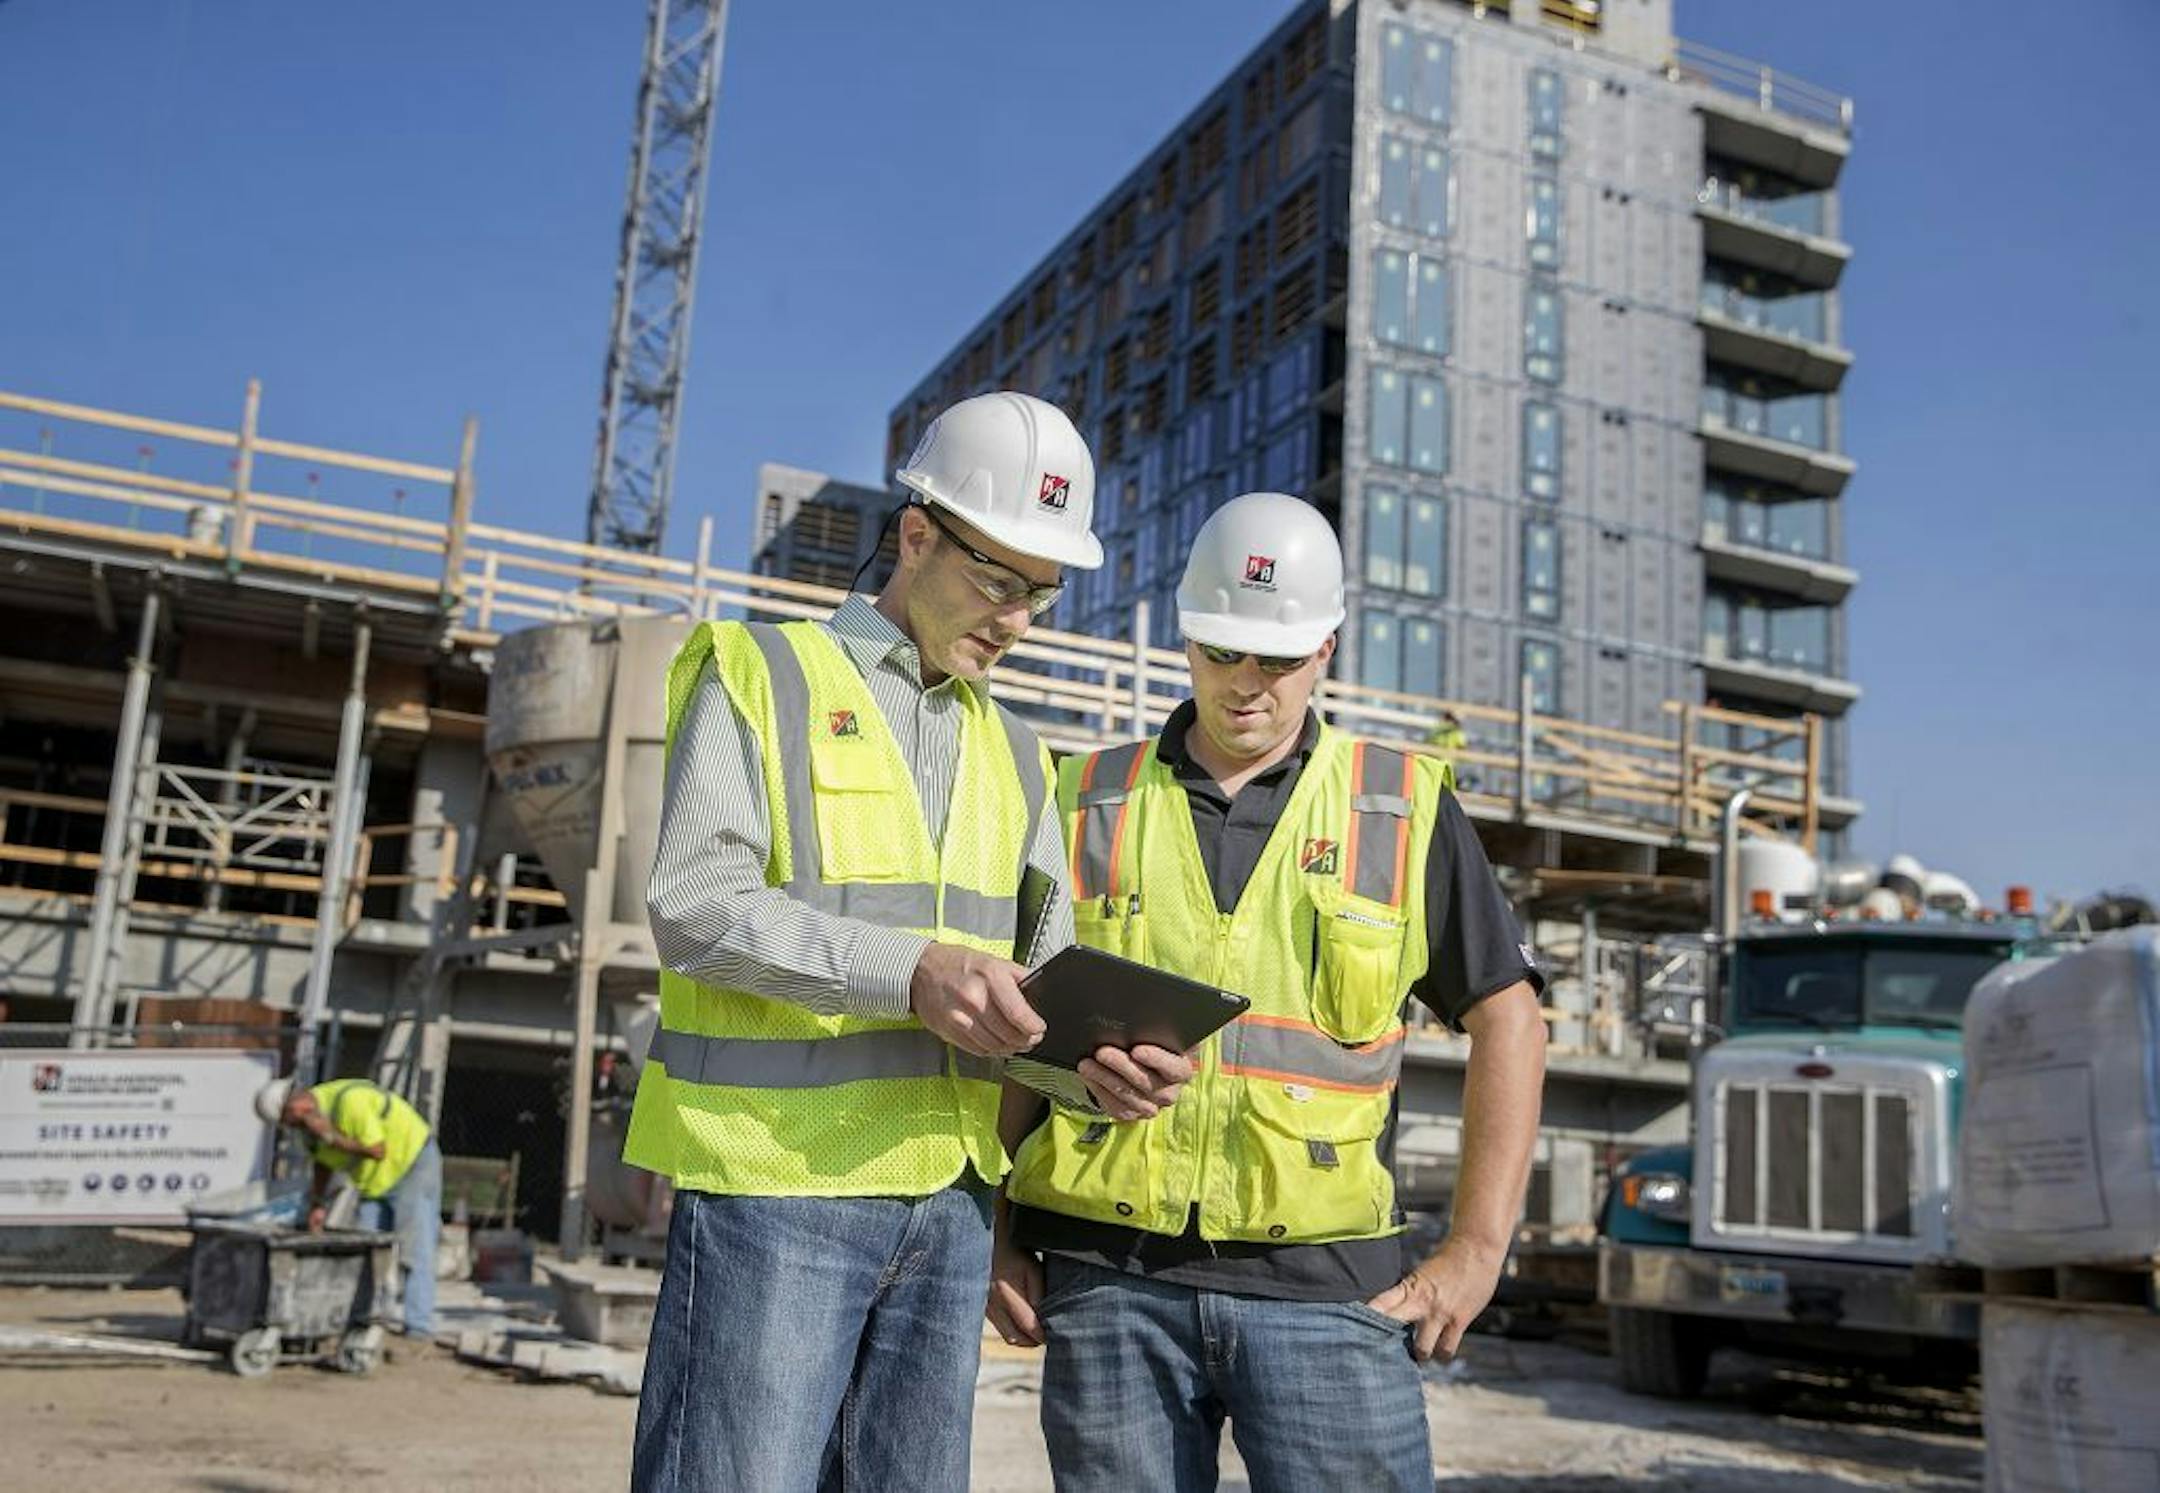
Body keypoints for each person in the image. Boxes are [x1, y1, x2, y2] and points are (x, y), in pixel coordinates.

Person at [623, 391, 1193, 1493]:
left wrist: (1093, 1069)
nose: (1019, 617)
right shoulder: (761, 671)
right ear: (916, 534)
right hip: (776, 1188)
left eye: (1042, 591)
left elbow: (1034, 988)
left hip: (949, 1207)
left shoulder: (1023, 755)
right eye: (997, 580)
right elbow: (695, 901)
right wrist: (912, 971)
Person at [988, 491, 1549, 1493]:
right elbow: (1014, 1026)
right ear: (1186, 637)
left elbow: (1509, 1015)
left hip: (1327, 1294)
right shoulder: (1081, 796)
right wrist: (990, 1226)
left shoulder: (1401, 805)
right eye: (1220, 652)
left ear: (1324, 648)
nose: (1247, 685)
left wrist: (1477, 1244)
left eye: (1277, 660)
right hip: (1110, 1282)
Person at [254, 1075, 442, 1337]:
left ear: (296, 1105)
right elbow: (323, 1162)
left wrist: (330, 1136)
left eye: (287, 1120)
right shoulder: (307, 1132)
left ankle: (418, 1327)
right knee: (365, 1252)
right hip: (373, 1182)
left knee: (415, 1247)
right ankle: (367, 1322)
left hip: (411, 1165)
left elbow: (377, 1150)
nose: (290, 1127)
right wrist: (318, 1204)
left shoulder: (349, 1101)